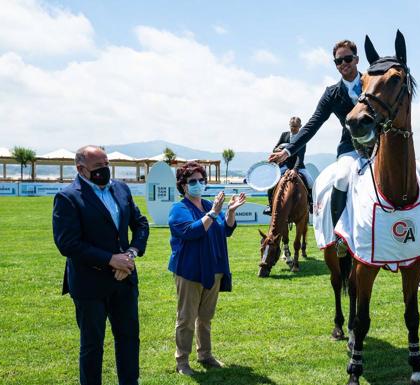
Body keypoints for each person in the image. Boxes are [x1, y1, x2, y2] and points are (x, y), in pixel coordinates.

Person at [52, 145, 149, 385]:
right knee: (92, 345)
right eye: (98, 167)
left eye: (106, 164)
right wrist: (110, 259)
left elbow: (140, 224)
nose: (104, 170)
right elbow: (68, 243)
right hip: (89, 284)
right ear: (81, 169)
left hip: (124, 279)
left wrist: (130, 254)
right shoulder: (67, 197)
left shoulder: (121, 189)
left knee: (128, 339)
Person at [268, 39, 362, 255]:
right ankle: (340, 238)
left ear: (356, 59)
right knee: (340, 179)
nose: (344, 63)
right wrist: (287, 150)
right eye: (339, 61)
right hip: (350, 148)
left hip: (379, 146)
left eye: (348, 58)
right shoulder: (332, 93)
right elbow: (312, 124)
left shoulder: (373, 82)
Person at [167, 161, 246, 375]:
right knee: (186, 318)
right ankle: (182, 361)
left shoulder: (211, 205)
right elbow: (192, 231)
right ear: (183, 185)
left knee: (205, 317)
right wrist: (212, 213)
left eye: (202, 180)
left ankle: (205, 355)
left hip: (214, 269)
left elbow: (225, 231)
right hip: (190, 271)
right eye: (193, 181)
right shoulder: (179, 209)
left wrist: (229, 212)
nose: (199, 184)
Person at [264, 116, 314, 215]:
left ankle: (311, 204)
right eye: (292, 126)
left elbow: (300, 156)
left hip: (298, 165)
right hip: (284, 165)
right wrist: (280, 149)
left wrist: (295, 169)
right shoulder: (284, 135)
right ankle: (270, 205)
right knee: (272, 182)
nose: (293, 128)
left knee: (310, 182)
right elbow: (275, 149)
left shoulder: (302, 136)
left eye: (295, 126)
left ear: (300, 126)